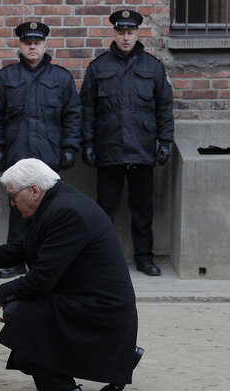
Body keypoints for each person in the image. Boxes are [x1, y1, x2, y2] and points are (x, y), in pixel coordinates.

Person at [0, 158, 143, 391]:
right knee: (25, 333)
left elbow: (41, 280)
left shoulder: (66, 211)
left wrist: (3, 294)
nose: (11, 202)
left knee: (18, 310)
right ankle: (118, 355)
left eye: (12, 195)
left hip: (102, 313)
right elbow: (21, 250)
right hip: (92, 304)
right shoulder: (56, 203)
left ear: (34, 190)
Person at [0, 21, 82, 280]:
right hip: (17, 154)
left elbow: (73, 114)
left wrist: (70, 148)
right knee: (18, 209)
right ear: (20, 45)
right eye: (28, 43)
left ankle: (45, 261)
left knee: (50, 210)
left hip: (49, 155)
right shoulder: (6, 78)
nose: (32, 47)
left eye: (37, 43)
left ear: (45, 45)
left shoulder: (60, 78)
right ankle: (16, 260)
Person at [80, 9, 174, 277]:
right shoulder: (98, 68)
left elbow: (164, 108)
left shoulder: (153, 67)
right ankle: (101, 260)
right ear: (115, 33)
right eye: (121, 32)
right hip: (108, 150)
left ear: (137, 34)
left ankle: (144, 258)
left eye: (130, 32)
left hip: (142, 149)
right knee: (104, 211)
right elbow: (87, 108)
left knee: (143, 210)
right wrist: (87, 143)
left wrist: (165, 141)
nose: (125, 38)